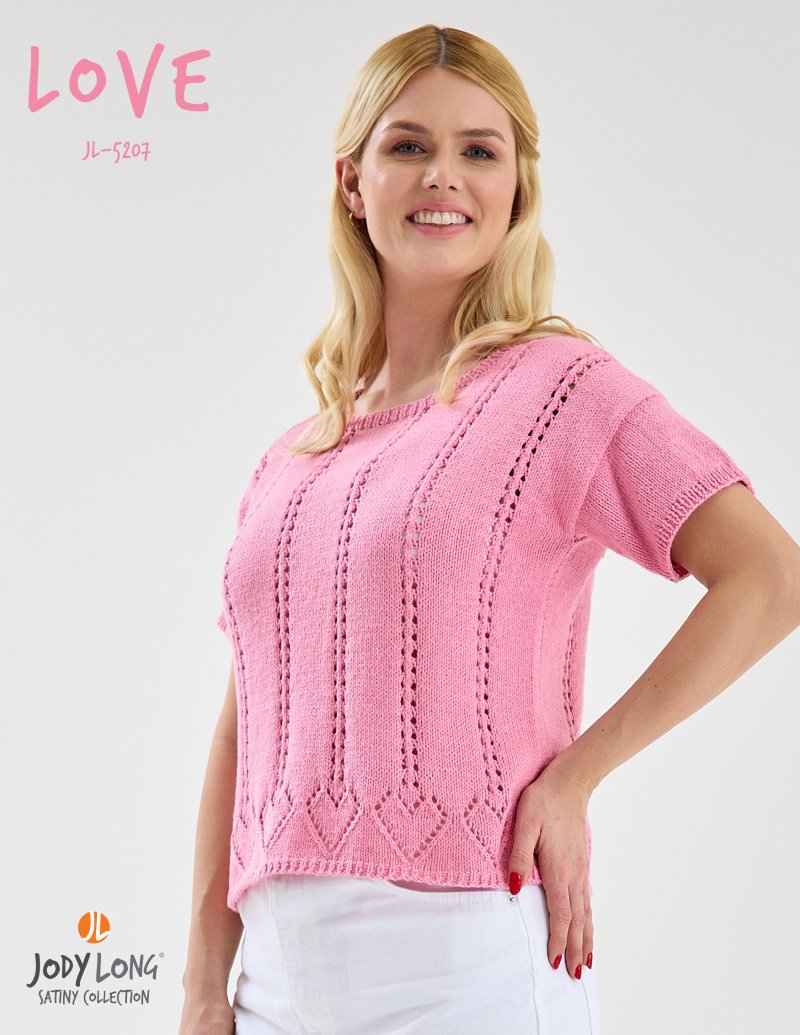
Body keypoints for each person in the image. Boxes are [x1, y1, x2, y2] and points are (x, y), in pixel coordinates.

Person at [178, 23, 800, 1035]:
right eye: (408, 144)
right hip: (273, 978)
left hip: (464, 961)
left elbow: (770, 577)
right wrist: (204, 982)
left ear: (515, 189)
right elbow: (242, 724)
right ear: (351, 181)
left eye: (479, 150)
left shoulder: (560, 389)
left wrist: (575, 776)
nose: (444, 175)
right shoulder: (290, 458)